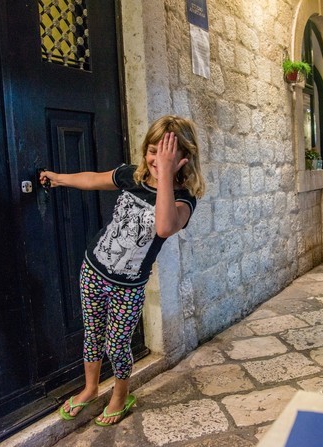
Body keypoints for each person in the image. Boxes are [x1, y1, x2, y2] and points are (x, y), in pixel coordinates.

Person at [40, 115, 206, 426]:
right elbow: (93, 179)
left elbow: (164, 226)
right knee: (92, 334)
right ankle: (90, 389)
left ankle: (120, 395)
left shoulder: (184, 199)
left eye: (167, 155)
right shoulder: (132, 176)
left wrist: (166, 176)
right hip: (93, 270)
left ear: (185, 158)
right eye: (153, 151)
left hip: (127, 288)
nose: (157, 160)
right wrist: (59, 178)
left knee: (116, 345)